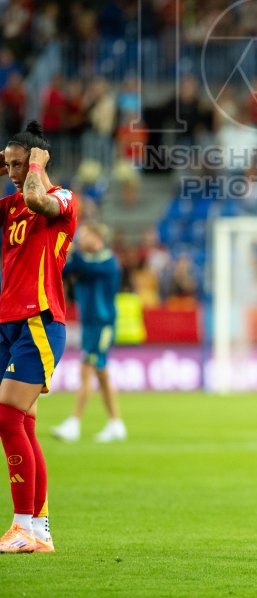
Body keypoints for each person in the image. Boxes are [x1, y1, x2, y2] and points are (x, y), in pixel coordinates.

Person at [0, 121, 78, 553]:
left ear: (37, 161)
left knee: (7, 416)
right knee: (22, 423)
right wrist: (4, 164)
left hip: (40, 320)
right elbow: (21, 194)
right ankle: (39, 531)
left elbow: (36, 197)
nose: (13, 173)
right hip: (8, 323)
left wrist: (34, 165)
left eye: (19, 164)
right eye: (8, 165)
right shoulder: (10, 205)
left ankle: (22, 527)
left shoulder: (62, 199)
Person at [52, 221, 126, 443]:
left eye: (84, 236)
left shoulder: (108, 262)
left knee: (86, 369)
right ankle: (116, 424)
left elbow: (82, 267)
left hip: (102, 325)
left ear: (97, 238)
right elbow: (64, 270)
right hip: (90, 325)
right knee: (101, 374)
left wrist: (70, 250)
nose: (80, 240)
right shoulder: (85, 261)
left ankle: (74, 423)